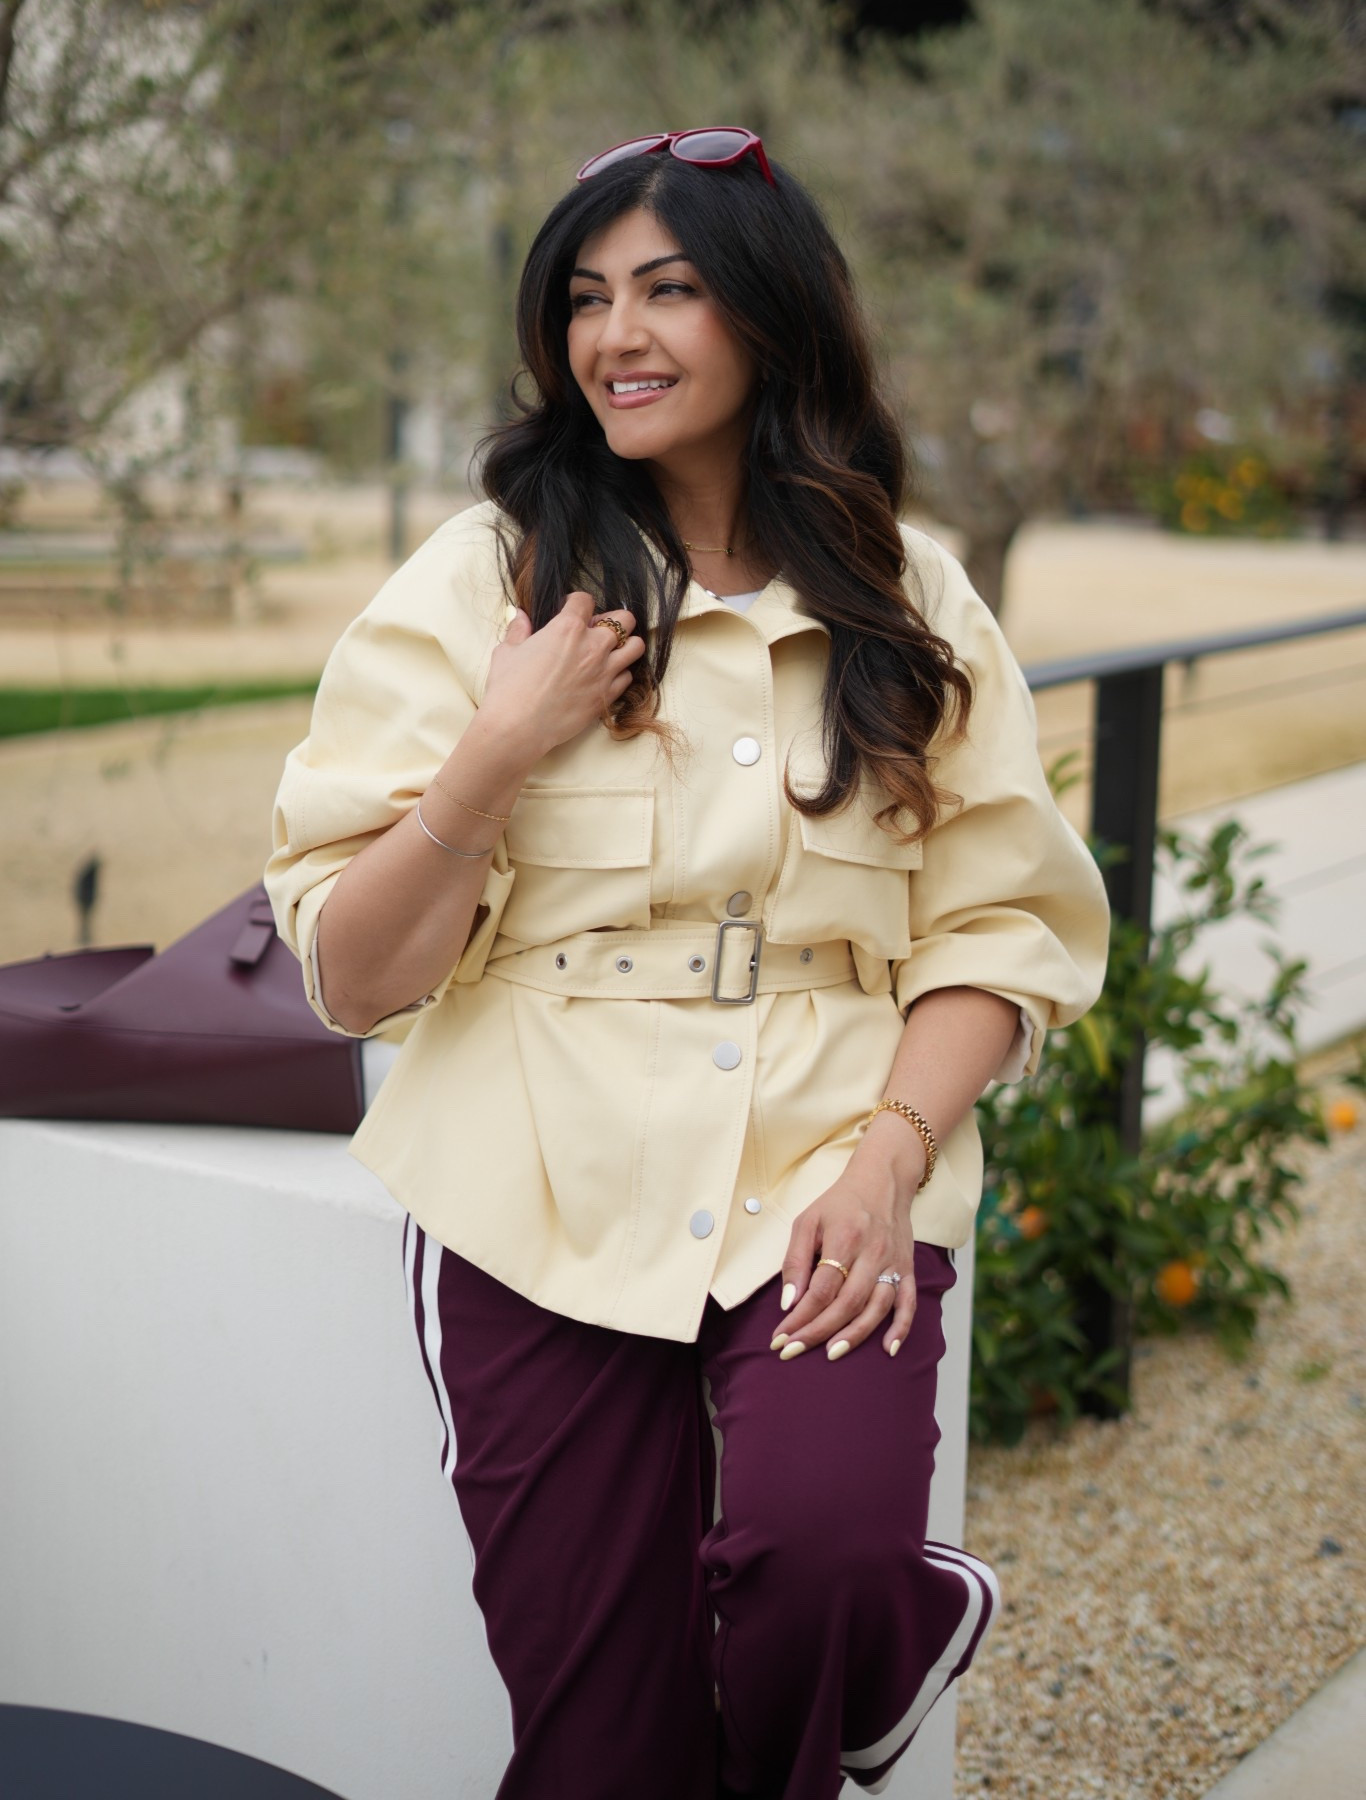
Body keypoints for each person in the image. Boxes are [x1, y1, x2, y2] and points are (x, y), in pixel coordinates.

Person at [265, 126, 1112, 1800]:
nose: (614, 337)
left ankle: (881, 1645)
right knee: (603, 1746)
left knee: (832, 1573)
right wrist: (496, 750)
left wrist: (892, 1159)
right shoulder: (485, 576)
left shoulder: (907, 597)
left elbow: (996, 931)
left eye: (668, 289)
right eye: (584, 298)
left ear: (771, 315)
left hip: (829, 1158)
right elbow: (354, 980)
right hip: (535, 1180)